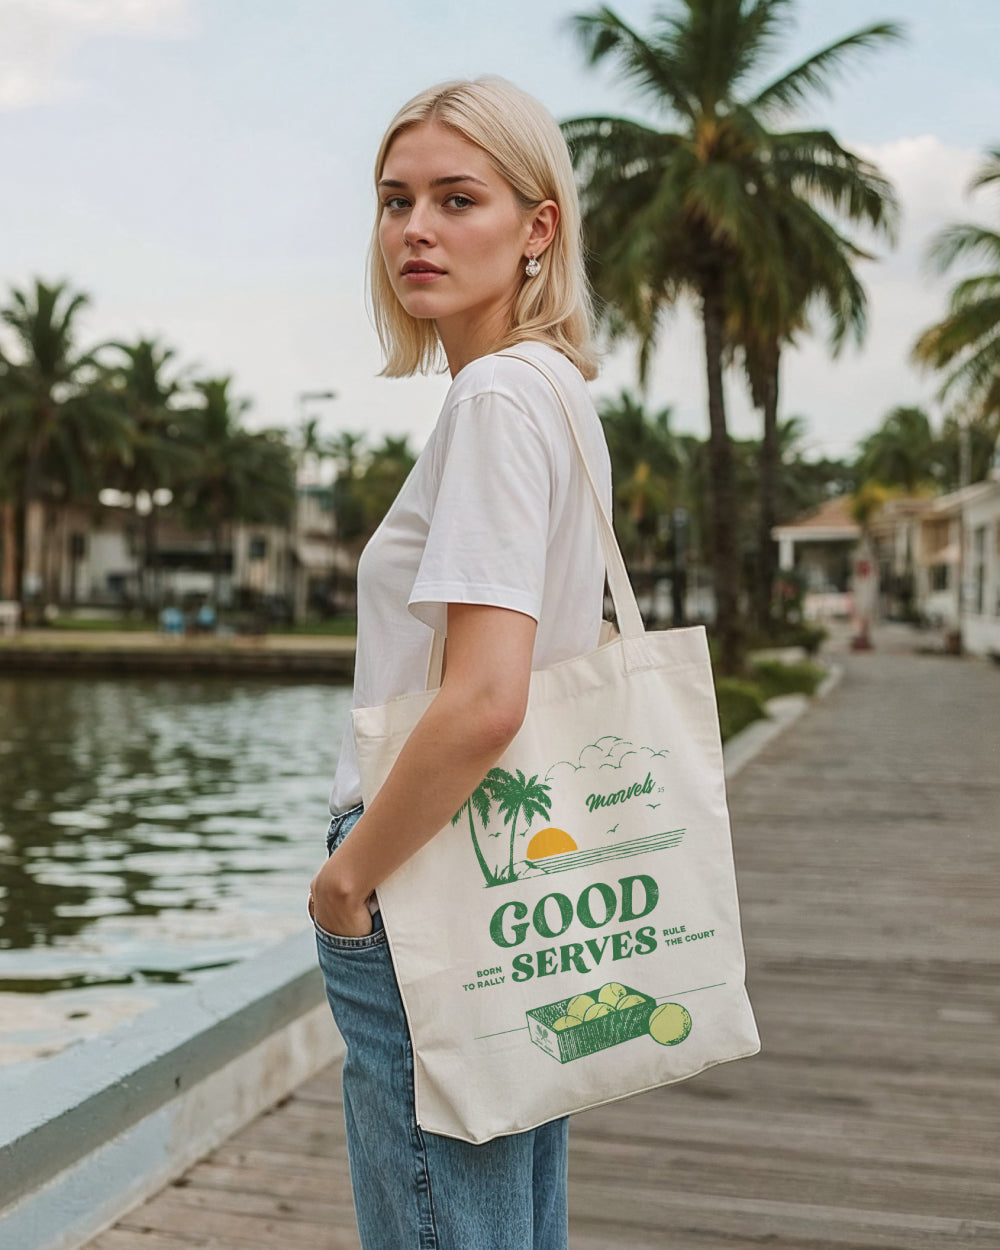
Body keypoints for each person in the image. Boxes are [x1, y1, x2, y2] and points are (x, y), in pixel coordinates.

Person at [308, 77, 612, 1250]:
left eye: (456, 198)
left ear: (538, 226)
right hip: (518, 870)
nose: (415, 230)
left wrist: (348, 883)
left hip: (428, 871)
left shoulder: (493, 399)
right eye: (395, 201)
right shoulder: (554, 391)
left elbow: (487, 695)